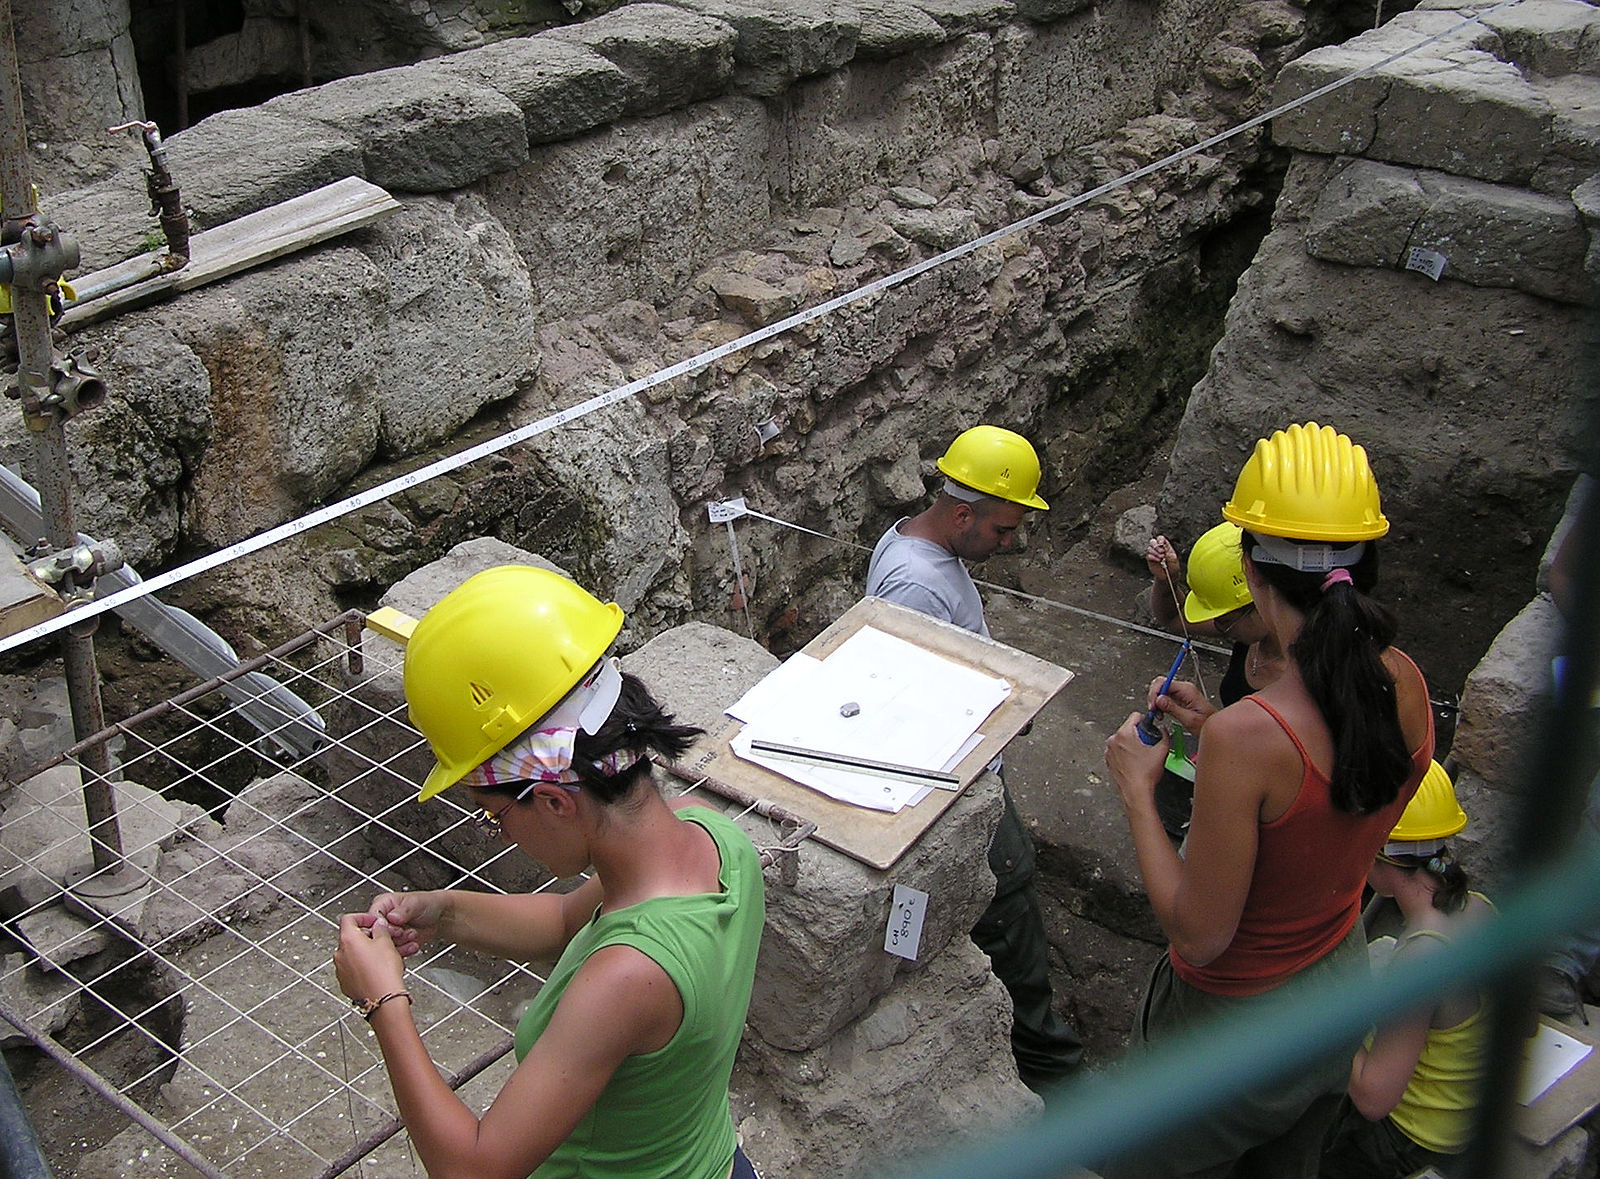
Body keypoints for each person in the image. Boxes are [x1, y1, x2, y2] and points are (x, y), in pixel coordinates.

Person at [333, 566, 766, 1179]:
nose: (502, 832)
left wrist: (384, 998)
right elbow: (569, 920)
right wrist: (445, 912)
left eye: (496, 817)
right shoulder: (712, 836)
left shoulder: (626, 977)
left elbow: (474, 1169)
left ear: (557, 800)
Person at [1103, 422, 1435, 1179]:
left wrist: (1136, 791)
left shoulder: (1251, 739)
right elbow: (1325, 798)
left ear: (1251, 571)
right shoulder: (1407, 682)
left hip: (1232, 1033)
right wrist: (1219, 730)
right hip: (1332, 995)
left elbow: (1199, 935)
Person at [864, 423, 1085, 1092]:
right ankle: (1056, 1081)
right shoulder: (916, 586)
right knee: (1012, 913)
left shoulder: (922, 547)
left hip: (970, 770)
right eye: (1002, 530)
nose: (1009, 541)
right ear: (963, 513)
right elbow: (913, 709)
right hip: (962, 788)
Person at [1320, 761, 1490, 1179]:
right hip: (1465, 1118)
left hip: (1411, 1142)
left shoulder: (1423, 957)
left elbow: (1374, 1099)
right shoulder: (1479, 908)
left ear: (1374, 846)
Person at [1145, 521, 1283, 837]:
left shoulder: (1307, 680)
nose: (1218, 625)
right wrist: (1169, 581)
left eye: (1225, 618)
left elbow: (1286, 776)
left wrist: (1214, 730)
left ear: (1260, 600)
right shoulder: (1257, 634)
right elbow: (1174, 618)